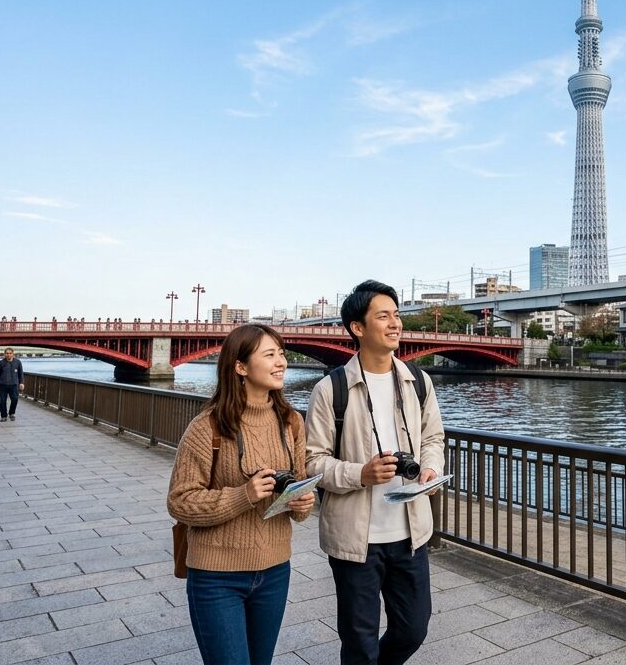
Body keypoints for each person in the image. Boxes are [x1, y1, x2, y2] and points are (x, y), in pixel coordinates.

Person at [306, 281, 445, 665]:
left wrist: (431, 468)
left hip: (410, 534)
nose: (394, 323)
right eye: (383, 316)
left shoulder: (418, 382)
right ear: (358, 328)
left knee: (413, 629)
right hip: (355, 540)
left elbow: (433, 437)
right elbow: (311, 463)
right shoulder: (330, 389)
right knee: (359, 641)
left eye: (396, 315)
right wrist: (360, 474)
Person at [167, 324, 315, 665]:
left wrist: (302, 503)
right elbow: (179, 501)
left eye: (281, 354)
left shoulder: (291, 421)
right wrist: (243, 494)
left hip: (275, 571)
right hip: (216, 577)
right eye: (270, 355)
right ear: (240, 367)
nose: (281, 362)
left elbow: (299, 497)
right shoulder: (208, 427)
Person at [0, 348, 24, 421]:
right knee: (3, 401)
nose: (8, 355)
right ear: (5, 354)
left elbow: (21, 373)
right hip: (2, 384)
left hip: (14, 384)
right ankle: (3, 416)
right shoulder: (1, 363)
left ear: (13, 354)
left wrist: (21, 383)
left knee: (15, 399)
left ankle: (11, 413)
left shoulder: (18, 362)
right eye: (7, 353)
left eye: (10, 353)